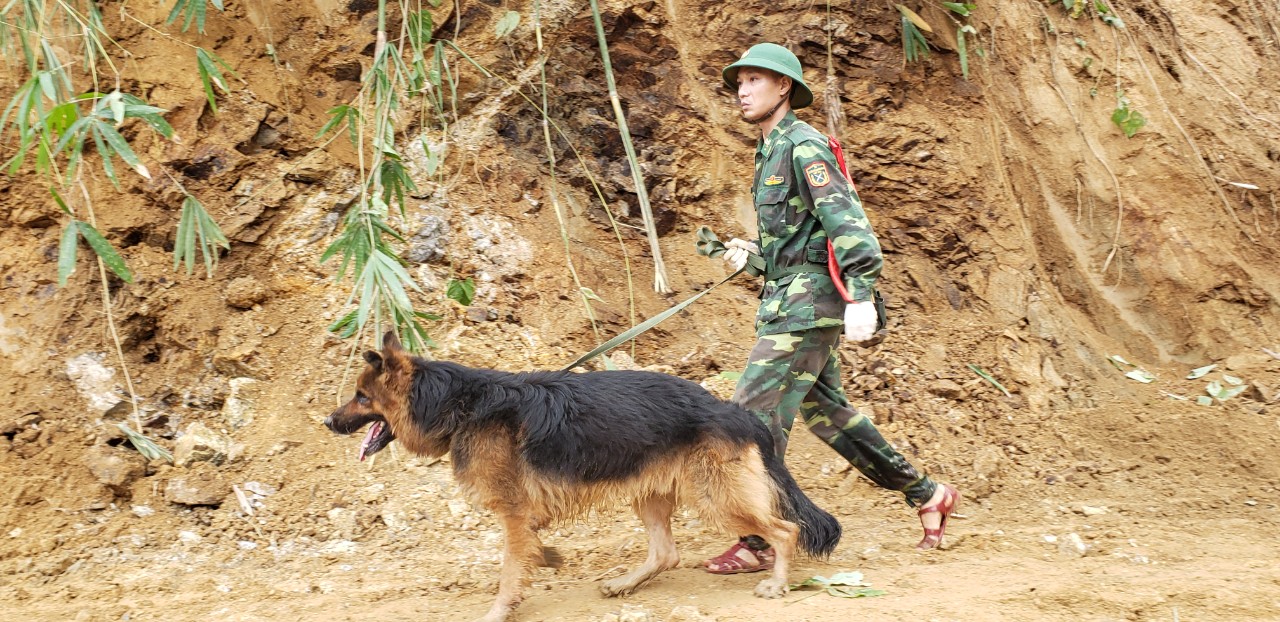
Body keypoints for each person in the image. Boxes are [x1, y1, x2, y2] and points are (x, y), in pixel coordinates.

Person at [705, 43, 960, 574]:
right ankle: (928, 494)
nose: (743, 90)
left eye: (755, 80)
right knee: (829, 416)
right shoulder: (770, 150)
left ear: (784, 88)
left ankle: (760, 538)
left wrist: (862, 292)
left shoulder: (804, 147)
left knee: (751, 416)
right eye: (739, 82)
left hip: (809, 308)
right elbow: (799, 240)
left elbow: (848, 223)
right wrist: (752, 255)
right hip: (789, 300)